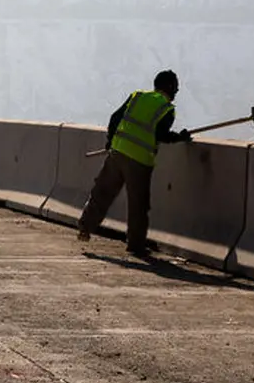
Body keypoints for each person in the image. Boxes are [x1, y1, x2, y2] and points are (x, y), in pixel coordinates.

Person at [77, 70, 191, 257]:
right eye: (176, 87)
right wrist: (180, 137)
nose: (177, 91)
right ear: (170, 87)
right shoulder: (167, 109)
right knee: (138, 205)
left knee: (102, 192)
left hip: (118, 151)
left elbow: (115, 118)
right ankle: (135, 245)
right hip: (139, 161)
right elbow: (160, 135)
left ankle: (85, 228)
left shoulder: (137, 96)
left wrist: (110, 141)